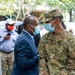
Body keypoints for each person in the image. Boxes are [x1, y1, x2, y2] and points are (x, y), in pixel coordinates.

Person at [38, 8, 75, 75]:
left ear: (57, 20)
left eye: (47, 22)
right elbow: (41, 58)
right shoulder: (45, 38)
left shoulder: (71, 39)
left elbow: (72, 66)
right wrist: (44, 73)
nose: (45, 24)